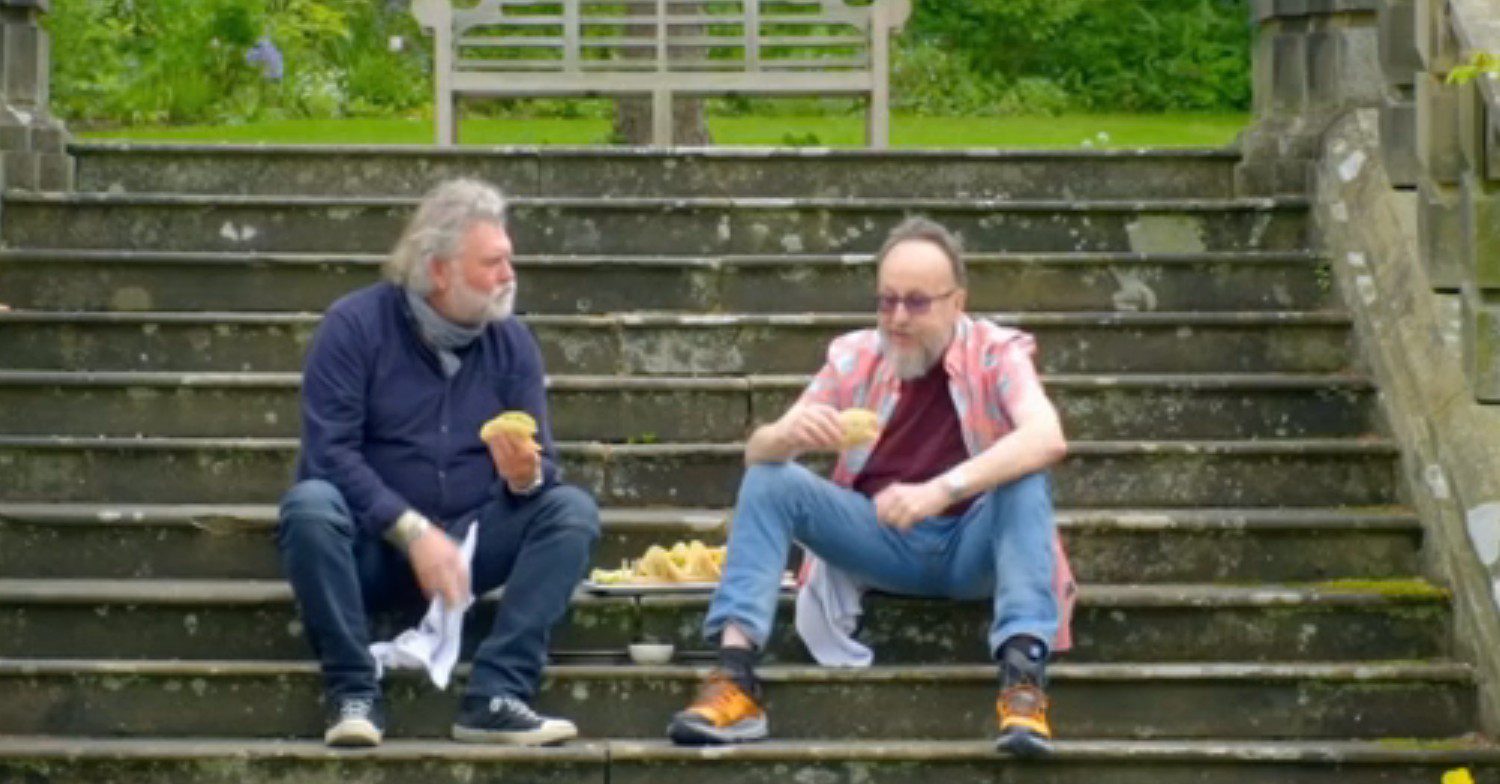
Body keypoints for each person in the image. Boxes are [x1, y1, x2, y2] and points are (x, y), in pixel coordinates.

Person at [666, 217, 1075, 757]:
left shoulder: (997, 352)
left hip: (975, 548)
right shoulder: (854, 356)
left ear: (957, 303)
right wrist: (785, 435)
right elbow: (757, 452)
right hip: (880, 538)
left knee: (1024, 477)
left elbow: (1048, 436)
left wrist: (941, 490)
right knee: (770, 479)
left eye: (916, 303)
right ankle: (734, 678)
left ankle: (1022, 682)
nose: (898, 319)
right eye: (886, 302)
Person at [278, 178, 600, 748]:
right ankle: (353, 690)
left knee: (570, 510)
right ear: (440, 270)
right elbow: (330, 454)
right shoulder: (353, 327)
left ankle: (497, 695)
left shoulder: (513, 343)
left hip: (470, 549)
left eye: (509, 260)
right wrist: (412, 530)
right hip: (372, 549)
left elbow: (547, 465)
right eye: (493, 263)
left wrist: (527, 477)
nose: (509, 276)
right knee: (308, 505)